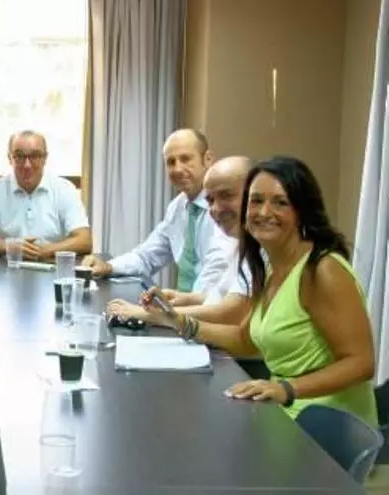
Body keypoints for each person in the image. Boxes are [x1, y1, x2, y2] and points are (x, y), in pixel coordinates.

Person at [140, 156, 377, 426]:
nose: (264, 212)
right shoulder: (272, 266)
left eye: (280, 202)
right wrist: (176, 321)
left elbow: (361, 363)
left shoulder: (322, 269)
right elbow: (246, 338)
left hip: (326, 429)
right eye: (256, 201)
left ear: (302, 210)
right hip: (283, 414)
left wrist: (286, 389)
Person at [82, 129, 235, 293]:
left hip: (212, 304)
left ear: (208, 159)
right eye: (171, 162)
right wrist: (108, 267)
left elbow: (217, 276)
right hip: (185, 304)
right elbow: (147, 256)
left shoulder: (225, 209)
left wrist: (180, 306)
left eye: (185, 159)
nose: (177, 169)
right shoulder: (177, 207)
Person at [107, 156, 253, 325]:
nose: (216, 208)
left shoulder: (260, 249)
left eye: (227, 196)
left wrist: (151, 315)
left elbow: (230, 313)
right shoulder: (178, 206)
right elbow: (227, 296)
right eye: (210, 200)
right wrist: (187, 299)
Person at [0, 130, 92, 260]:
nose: (27, 165)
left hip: (52, 267)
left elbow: (84, 240)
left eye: (35, 156)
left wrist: (47, 250)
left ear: (45, 158)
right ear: (10, 158)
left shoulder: (64, 189)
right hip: (9, 267)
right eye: (19, 156)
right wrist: (10, 247)